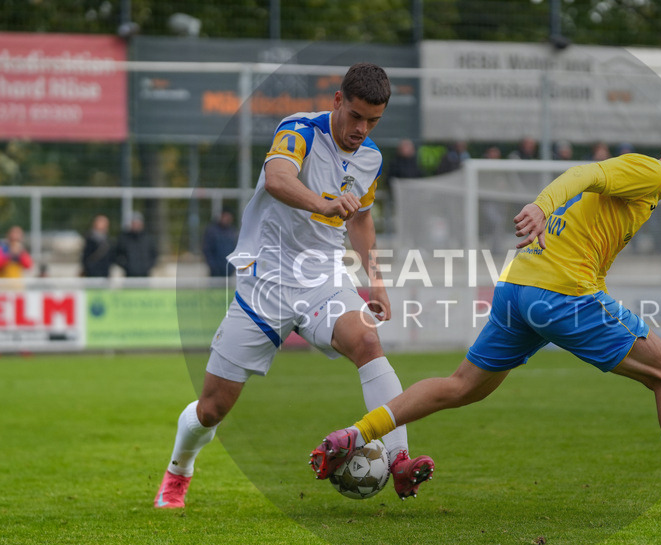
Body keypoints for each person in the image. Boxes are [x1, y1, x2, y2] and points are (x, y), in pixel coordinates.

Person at [310, 120, 661, 520]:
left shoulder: (646, 186)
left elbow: (590, 214)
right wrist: (541, 208)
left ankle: (355, 434)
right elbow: (584, 171)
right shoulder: (650, 172)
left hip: (519, 287)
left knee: (461, 386)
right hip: (561, 293)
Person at [154, 63, 433, 509]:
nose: (362, 129)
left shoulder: (371, 157)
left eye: (373, 121)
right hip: (266, 281)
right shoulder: (299, 130)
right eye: (356, 116)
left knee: (366, 340)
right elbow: (277, 178)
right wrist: (323, 204)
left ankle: (399, 459)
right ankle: (178, 471)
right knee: (212, 408)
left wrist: (375, 281)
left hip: (324, 278)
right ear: (338, 100)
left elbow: (360, 218)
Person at [115, 212, 157, 277]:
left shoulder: (148, 238)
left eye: (138, 223)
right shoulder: (124, 238)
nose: (136, 225)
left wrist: (147, 266)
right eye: (134, 223)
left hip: (145, 274)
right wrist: (127, 266)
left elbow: (154, 255)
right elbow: (117, 255)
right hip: (129, 274)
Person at [202, 210, 238, 277]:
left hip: (228, 269)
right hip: (215, 270)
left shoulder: (232, 231)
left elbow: (235, 249)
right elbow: (207, 250)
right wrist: (212, 266)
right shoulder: (212, 231)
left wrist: (232, 266)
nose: (227, 219)